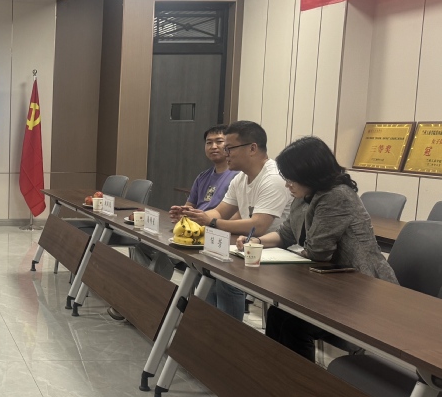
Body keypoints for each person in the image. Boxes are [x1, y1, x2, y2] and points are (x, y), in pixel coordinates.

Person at [236, 136, 397, 361]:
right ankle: (275, 376)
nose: (287, 184)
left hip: (362, 287)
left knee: (294, 325)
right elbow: (286, 233)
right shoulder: (305, 195)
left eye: (291, 178)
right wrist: (257, 242)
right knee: (278, 314)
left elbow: (317, 252)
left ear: (310, 174)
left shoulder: (337, 196)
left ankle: (299, 382)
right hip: (331, 283)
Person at [182, 120, 291, 322]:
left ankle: (226, 332)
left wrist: (211, 223)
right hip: (248, 248)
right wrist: (193, 217)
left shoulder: (273, 178)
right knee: (206, 266)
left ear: (252, 148)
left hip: (277, 252)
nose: (226, 153)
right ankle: (210, 327)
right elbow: (220, 212)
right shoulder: (240, 178)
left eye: (229, 148)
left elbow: (258, 226)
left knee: (225, 276)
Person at [133, 126, 238, 279]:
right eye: (209, 142)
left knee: (163, 250)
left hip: (215, 234)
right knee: (144, 245)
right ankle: (150, 288)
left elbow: (235, 217)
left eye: (219, 141)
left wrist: (202, 221)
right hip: (193, 231)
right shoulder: (203, 176)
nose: (213, 146)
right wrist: (182, 214)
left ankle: (158, 290)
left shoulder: (237, 177)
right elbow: (190, 206)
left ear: (229, 145)